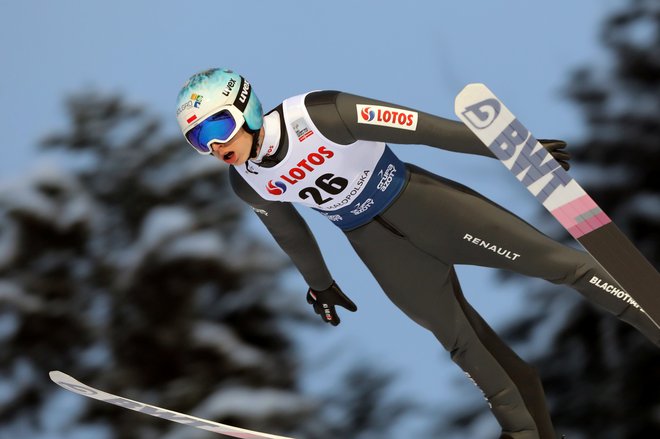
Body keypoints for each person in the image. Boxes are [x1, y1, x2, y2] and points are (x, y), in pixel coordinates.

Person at [175, 68, 660, 439]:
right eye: (199, 138)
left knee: (560, 266)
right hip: (379, 249)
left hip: (428, 207)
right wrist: (320, 283)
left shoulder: (320, 114)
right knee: (465, 347)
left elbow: (425, 129)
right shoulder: (248, 183)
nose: (215, 144)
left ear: (246, 108)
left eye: (218, 125)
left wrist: (512, 149)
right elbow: (291, 234)